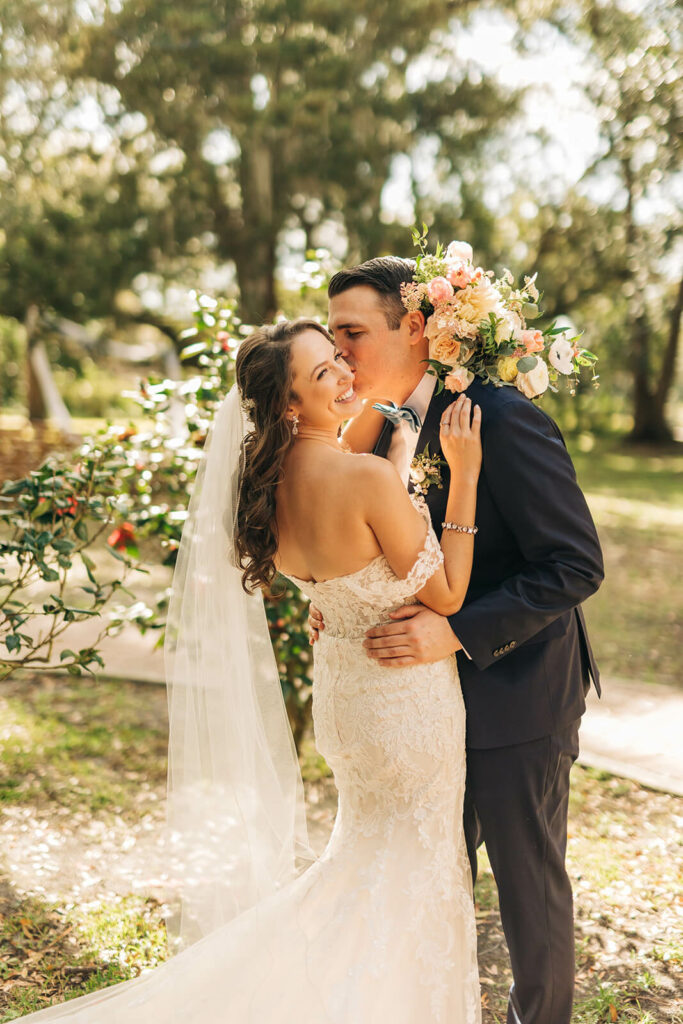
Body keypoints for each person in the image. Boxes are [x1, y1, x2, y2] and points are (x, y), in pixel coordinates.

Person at [18, 317, 483, 1023]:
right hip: (407, 707)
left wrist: (400, 451)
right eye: (324, 373)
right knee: (412, 874)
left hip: (347, 706)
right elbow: (444, 594)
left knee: (366, 867)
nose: (345, 375)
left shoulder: (267, 488)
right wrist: (467, 477)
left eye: (337, 360)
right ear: (290, 404)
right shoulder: (360, 477)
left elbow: (355, 549)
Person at [310, 257, 604, 1024]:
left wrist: (457, 632)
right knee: (424, 881)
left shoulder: (500, 418)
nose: (338, 354)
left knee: (524, 891)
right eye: (332, 336)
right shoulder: (372, 429)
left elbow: (572, 563)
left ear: (414, 326)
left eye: (351, 334)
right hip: (414, 712)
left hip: (514, 698)